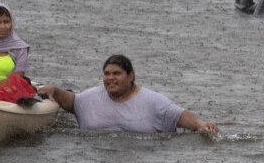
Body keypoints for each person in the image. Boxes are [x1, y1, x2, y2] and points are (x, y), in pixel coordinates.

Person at [38, 54, 219, 135]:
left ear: (131, 76)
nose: (110, 78)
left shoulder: (152, 101)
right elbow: (69, 100)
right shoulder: (88, 98)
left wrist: (202, 125)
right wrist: (53, 89)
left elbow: (179, 115)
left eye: (117, 74)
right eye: (107, 74)